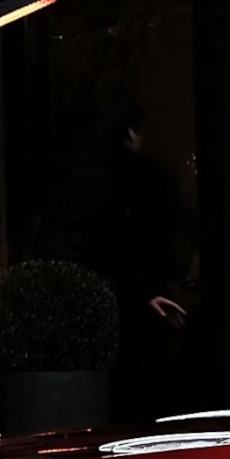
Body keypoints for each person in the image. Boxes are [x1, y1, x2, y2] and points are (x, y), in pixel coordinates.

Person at [39, 98, 189, 421]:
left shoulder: (81, 172)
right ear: (130, 132)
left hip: (96, 303)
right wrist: (139, 293)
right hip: (111, 307)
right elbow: (117, 245)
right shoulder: (118, 179)